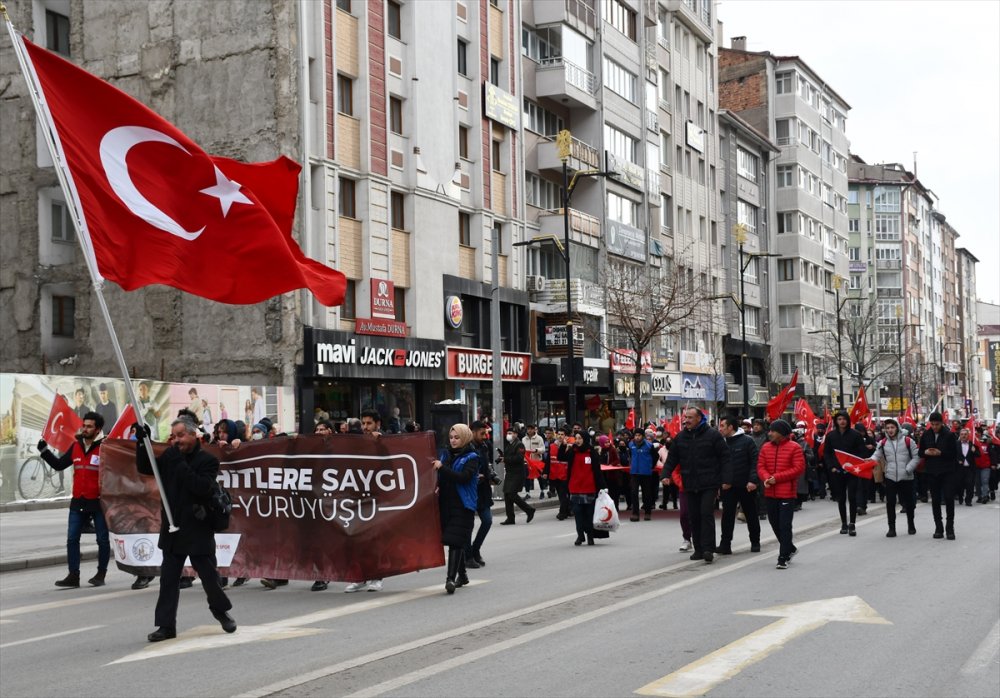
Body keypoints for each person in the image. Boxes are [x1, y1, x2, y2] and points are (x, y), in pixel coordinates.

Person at [136, 418, 235, 642]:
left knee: (210, 577)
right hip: (173, 528)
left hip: (198, 528)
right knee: (168, 580)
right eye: (173, 436)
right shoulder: (170, 457)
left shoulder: (207, 461)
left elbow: (201, 487)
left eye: (180, 435)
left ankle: (220, 610)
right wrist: (142, 442)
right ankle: (166, 625)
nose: (176, 440)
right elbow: (146, 467)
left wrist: (178, 462)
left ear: (194, 435)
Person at [38, 412, 110, 588]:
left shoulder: (105, 447)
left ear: (98, 429)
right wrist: (44, 451)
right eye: (84, 425)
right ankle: (73, 575)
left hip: (99, 501)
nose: (85, 429)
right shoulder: (75, 446)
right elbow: (60, 464)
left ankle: (101, 574)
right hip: (78, 500)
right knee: (72, 539)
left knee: (102, 540)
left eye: (89, 426)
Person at [663, 407, 729, 564]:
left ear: (699, 418)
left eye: (690, 417)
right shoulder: (680, 437)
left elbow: (725, 458)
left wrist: (726, 479)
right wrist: (665, 475)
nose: (686, 420)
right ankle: (698, 549)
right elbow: (672, 458)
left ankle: (708, 549)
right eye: (685, 417)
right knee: (693, 516)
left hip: (709, 483)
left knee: (706, 513)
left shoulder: (713, 435)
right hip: (690, 483)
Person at [433, 424, 479, 594]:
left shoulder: (472, 457)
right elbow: (439, 476)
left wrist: (442, 468)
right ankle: (463, 575)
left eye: (457, 437)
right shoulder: (445, 455)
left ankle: (450, 579)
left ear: (465, 438)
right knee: (455, 540)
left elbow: (463, 478)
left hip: (463, 504)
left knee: (454, 540)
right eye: (451, 437)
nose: (453, 440)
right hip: (445, 504)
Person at [345, 409, 386, 592]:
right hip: (357, 499)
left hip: (377, 499)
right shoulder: (358, 443)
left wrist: (380, 444)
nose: (365, 427)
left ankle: (376, 577)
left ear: (378, 424)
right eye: (363, 423)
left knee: (374, 539)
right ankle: (359, 577)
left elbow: (391, 467)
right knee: (357, 538)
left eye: (369, 423)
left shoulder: (385, 442)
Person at [757, 419, 806, 570]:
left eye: (773, 430)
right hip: (770, 492)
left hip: (786, 493)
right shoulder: (765, 447)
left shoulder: (794, 447)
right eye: (770, 430)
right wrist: (766, 478)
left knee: (785, 525)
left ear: (782, 433)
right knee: (774, 523)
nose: (770, 433)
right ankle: (789, 547)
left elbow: (798, 468)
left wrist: (776, 478)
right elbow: (761, 466)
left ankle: (783, 557)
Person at [717, 415, 761, 554]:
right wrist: (720, 483)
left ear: (731, 427)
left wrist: (753, 480)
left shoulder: (748, 441)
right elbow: (718, 465)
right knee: (727, 516)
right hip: (728, 486)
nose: (720, 429)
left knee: (751, 513)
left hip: (746, 485)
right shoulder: (721, 442)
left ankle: (755, 541)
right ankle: (725, 544)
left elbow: (755, 462)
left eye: (723, 426)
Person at [871, 418, 919, 537]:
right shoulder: (882, 443)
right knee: (890, 503)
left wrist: (908, 469)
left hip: (906, 477)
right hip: (890, 476)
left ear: (897, 427)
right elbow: (876, 456)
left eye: (892, 427)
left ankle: (911, 524)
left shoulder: (908, 441)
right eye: (887, 428)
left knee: (909, 502)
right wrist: (868, 461)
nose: (890, 430)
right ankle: (891, 528)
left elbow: (916, 457)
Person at [823, 411, 867, 537]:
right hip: (836, 471)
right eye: (839, 419)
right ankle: (844, 523)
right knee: (841, 498)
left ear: (848, 420)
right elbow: (827, 453)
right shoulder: (831, 436)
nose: (842, 421)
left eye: (844, 419)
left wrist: (855, 465)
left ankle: (852, 523)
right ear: (836, 421)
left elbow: (862, 452)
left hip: (852, 471)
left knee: (852, 497)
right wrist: (831, 467)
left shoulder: (855, 435)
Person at [560, 428, 606, 546]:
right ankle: (580, 536)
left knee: (589, 514)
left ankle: (590, 536)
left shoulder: (592, 452)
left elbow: (597, 471)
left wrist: (602, 487)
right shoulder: (572, 451)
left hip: (589, 488)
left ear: (585, 439)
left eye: (580, 438)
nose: (578, 441)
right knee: (578, 514)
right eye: (576, 438)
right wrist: (562, 445)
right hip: (575, 488)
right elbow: (561, 458)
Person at [918, 412, 960, 540]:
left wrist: (941, 453)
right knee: (935, 500)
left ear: (942, 423)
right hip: (932, 472)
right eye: (932, 424)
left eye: (937, 424)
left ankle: (950, 528)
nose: (935, 427)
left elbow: (954, 454)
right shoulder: (926, 434)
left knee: (948, 498)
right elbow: (920, 452)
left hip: (947, 471)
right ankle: (938, 527)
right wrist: (925, 452)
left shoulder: (949, 435)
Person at [464, 421, 496, 569]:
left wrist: (490, 475)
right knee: (468, 525)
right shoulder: (465, 447)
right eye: (482, 434)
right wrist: (473, 477)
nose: (485, 436)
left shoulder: (484, 446)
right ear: (473, 432)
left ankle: (475, 549)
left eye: (486, 433)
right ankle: (468, 556)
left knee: (487, 521)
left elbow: (487, 465)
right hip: (469, 491)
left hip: (483, 490)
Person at [499, 427, 535, 524]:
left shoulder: (519, 445)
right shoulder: (509, 444)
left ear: (516, 434)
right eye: (508, 433)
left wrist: (505, 459)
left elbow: (519, 458)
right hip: (510, 473)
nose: (509, 435)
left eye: (511, 433)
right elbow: (509, 456)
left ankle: (529, 510)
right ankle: (510, 518)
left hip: (517, 473)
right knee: (507, 494)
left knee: (512, 494)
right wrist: (503, 457)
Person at [628, 429, 657, 521]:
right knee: (633, 493)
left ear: (643, 436)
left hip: (646, 473)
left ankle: (648, 512)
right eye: (636, 435)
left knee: (647, 493)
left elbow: (656, 456)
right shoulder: (631, 444)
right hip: (634, 473)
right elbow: (630, 455)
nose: (637, 437)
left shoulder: (649, 445)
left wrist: (650, 466)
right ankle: (635, 513)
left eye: (639, 435)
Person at [956, 429, 980, 507]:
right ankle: (960, 496)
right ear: (960, 435)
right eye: (962, 434)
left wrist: (974, 451)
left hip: (970, 468)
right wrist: (957, 461)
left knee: (970, 485)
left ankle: (968, 500)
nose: (963, 436)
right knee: (959, 485)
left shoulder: (972, 444)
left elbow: (978, 455)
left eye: (965, 434)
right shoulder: (956, 444)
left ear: (968, 435)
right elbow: (952, 455)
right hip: (959, 468)